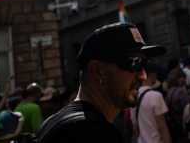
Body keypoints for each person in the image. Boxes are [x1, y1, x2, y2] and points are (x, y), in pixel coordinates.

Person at [35, 22, 166, 142]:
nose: (143, 76)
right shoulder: (91, 132)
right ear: (97, 71)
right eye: (134, 63)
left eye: (145, 64)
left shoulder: (53, 122)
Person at [130, 63, 172, 143]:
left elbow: (135, 128)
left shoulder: (133, 97)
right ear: (152, 75)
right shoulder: (156, 96)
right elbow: (162, 127)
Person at [165, 67, 190, 141]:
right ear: (178, 78)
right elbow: (188, 107)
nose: (184, 80)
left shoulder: (169, 91)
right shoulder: (181, 92)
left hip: (172, 125)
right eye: (183, 77)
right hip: (181, 124)